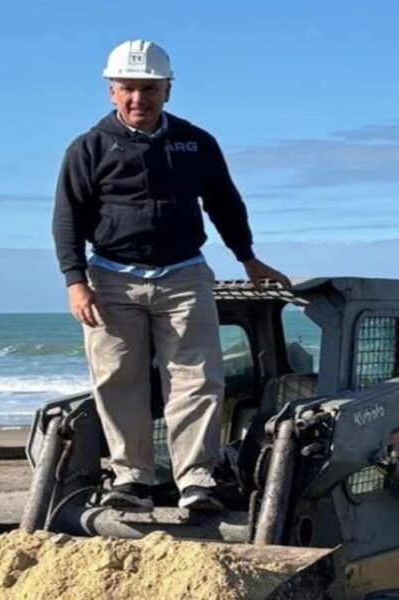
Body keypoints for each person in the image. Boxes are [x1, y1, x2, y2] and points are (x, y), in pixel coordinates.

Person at [52, 40, 289, 511]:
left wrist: (248, 258)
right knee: (120, 380)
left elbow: (224, 202)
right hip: (111, 279)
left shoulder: (196, 142)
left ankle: (197, 481)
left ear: (168, 90)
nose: (139, 98)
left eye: (150, 88)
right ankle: (131, 480)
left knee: (197, 377)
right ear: (112, 92)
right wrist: (74, 280)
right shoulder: (89, 147)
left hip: (183, 275)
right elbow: (68, 217)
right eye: (129, 89)